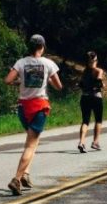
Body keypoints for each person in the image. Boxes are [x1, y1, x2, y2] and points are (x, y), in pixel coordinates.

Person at [4, 34, 63, 195]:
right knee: (31, 145)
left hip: (23, 108)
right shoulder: (48, 63)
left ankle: (26, 174)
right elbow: (59, 86)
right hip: (39, 106)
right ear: (42, 47)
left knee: (31, 142)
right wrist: (48, 80)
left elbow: (8, 80)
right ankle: (16, 179)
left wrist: (20, 81)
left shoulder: (21, 62)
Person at [78, 51, 105, 152]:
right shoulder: (98, 71)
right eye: (96, 60)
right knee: (98, 120)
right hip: (96, 97)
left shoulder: (84, 72)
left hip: (85, 97)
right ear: (95, 61)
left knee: (85, 121)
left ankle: (81, 142)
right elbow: (98, 83)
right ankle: (95, 142)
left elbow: (81, 85)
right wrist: (102, 84)